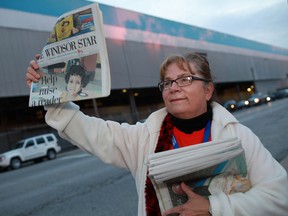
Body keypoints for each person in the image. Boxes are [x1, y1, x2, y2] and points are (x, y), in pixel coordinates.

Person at [26, 53, 288, 216]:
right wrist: (52, 90)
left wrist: (213, 209)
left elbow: (279, 198)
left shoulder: (239, 136)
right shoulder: (144, 137)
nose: (174, 87)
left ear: (208, 91)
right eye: (167, 82)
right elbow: (91, 131)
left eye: (185, 79)